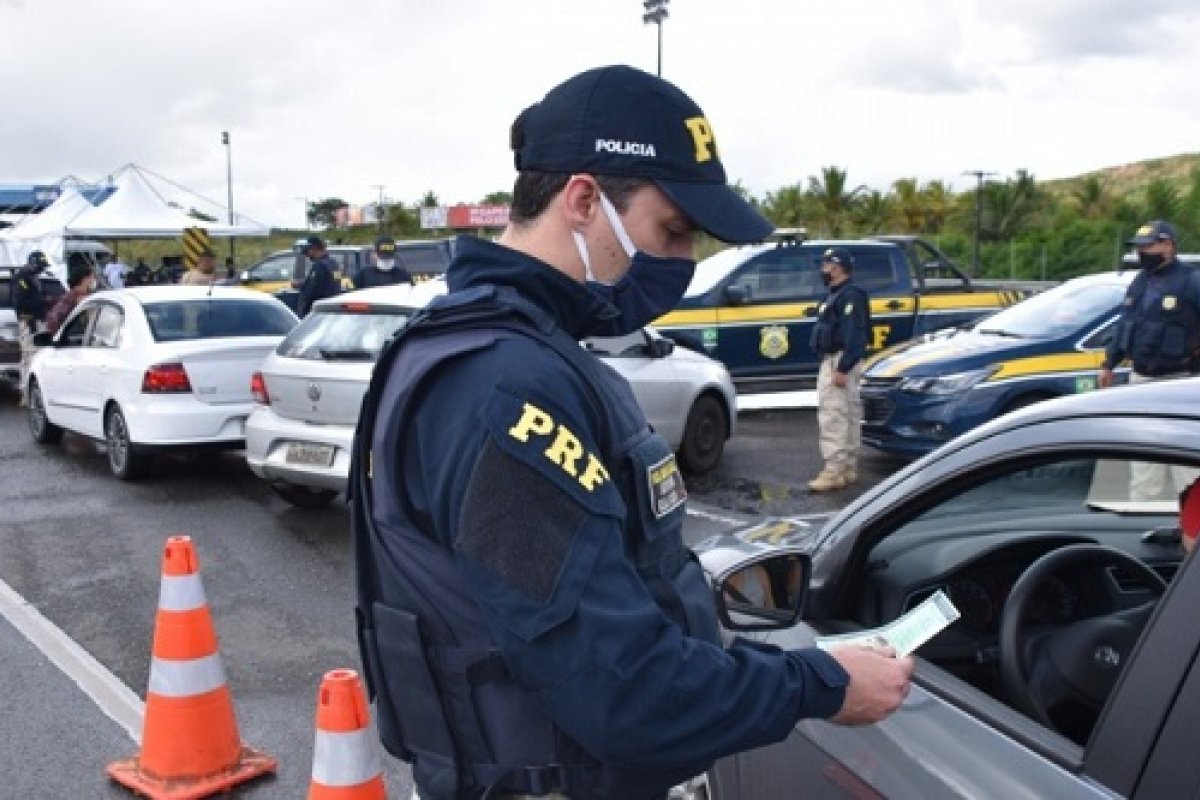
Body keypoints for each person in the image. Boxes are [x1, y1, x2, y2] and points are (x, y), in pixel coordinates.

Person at [351, 65, 912, 800]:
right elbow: (624, 690)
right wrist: (821, 685)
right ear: (583, 200)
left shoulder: (506, 352)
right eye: (671, 230)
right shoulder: (507, 383)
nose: (683, 261)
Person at [1100, 220, 1200, 501]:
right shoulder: (1140, 281)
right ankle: (1141, 526)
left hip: (1180, 381)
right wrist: (1109, 363)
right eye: (1139, 247)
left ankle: (1192, 535)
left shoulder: (1191, 282)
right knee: (1144, 464)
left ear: (1168, 245)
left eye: (1149, 246)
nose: (1142, 252)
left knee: (1187, 468)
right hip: (1141, 382)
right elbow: (1125, 326)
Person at [807, 248, 871, 492]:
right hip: (841, 360)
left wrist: (843, 367)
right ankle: (847, 468)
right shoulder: (837, 295)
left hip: (840, 360)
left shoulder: (849, 296)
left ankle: (834, 470)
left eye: (826, 265)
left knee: (834, 414)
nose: (823, 269)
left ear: (837, 267)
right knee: (848, 413)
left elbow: (855, 333)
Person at [12, 250, 51, 406]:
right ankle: (26, 395)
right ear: (33, 264)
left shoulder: (33, 278)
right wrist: (43, 301)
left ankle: (36, 392)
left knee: (38, 357)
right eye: (40, 266)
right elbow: (22, 302)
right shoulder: (21, 278)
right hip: (28, 322)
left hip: (38, 320)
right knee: (29, 357)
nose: (41, 270)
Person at [46, 255, 96, 335]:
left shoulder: (71, 296)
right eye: (92, 278)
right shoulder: (78, 298)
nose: (94, 281)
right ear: (85, 279)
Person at [295, 235, 340, 314]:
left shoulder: (319, 265)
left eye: (308, 250)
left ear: (314, 248)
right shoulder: (334, 263)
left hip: (319, 310)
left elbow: (311, 290)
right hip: (333, 307)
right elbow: (335, 282)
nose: (308, 254)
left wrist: (301, 287)